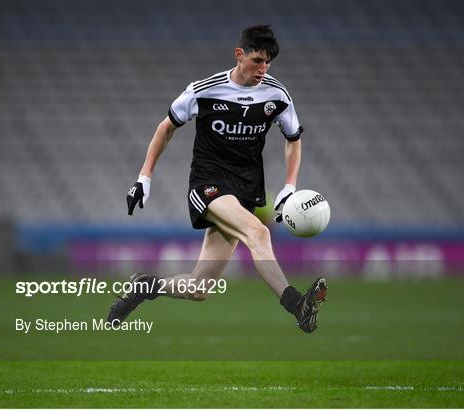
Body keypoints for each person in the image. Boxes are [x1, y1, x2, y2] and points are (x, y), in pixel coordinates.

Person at [107, 25, 327, 333]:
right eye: (257, 61)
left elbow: (293, 137)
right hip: (208, 183)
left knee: (199, 289)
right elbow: (165, 128)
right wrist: (144, 177)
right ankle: (296, 305)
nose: (262, 69)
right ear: (239, 55)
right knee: (259, 233)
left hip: (245, 189)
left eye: (268, 63)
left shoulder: (277, 95)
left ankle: (146, 287)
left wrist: (290, 185)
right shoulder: (204, 90)